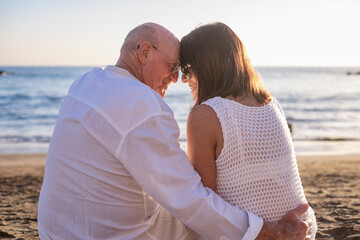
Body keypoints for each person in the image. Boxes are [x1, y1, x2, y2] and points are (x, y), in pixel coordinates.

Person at [37, 22, 311, 240]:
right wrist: (268, 233)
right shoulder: (141, 103)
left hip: (57, 230)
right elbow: (188, 198)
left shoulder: (87, 83)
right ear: (145, 52)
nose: (177, 79)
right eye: (174, 67)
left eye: (184, 70)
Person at [180, 22, 317, 239]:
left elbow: (204, 204)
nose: (183, 79)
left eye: (186, 69)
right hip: (303, 229)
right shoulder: (271, 103)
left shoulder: (205, 114)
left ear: (206, 65)